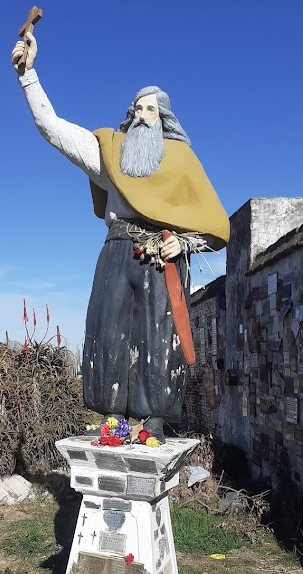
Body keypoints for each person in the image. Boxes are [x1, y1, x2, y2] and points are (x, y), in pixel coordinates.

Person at [12, 33, 229, 442]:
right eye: (138, 109)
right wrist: (29, 77)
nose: (144, 115)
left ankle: (156, 419)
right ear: (129, 116)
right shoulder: (110, 153)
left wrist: (182, 242)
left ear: (163, 119)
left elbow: (213, 226)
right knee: (107, 327)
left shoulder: (181, 160)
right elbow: (54, 129)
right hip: (116, 249)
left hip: (162, 257)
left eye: (152, 110)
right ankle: (112, 415)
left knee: (158, 332)